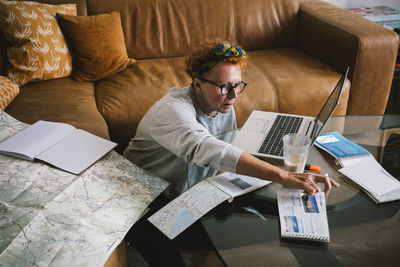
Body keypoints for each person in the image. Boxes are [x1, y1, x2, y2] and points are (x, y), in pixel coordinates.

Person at [123, 41, 339, 266]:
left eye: (237, 85)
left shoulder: (222, 104)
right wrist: (282, 175)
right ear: (197, 84)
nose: (234, 95)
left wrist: (287, 172)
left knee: (259, 222)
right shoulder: (172, 110)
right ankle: (135, 234)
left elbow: (223, 155)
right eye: (224, 86)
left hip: (189, 191)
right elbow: (205, 148)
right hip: (144, 196)